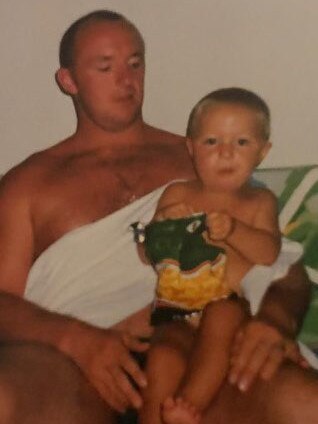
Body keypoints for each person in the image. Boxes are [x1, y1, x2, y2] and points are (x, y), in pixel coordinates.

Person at [0, 8, 317, 424]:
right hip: (75, 364)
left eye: (135, 63)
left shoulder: (204, 156)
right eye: (105, 66)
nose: (126, 79)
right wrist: (77, 340)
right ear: (69, 80)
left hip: (202, 349)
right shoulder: (28, 184)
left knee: (304, 401)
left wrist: (275, 321)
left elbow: (283, 264)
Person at [135, 87, 305, 424]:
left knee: (222, 316)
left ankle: (188, 406)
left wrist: (234, 232)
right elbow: (147, 255)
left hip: (229, 307)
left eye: (241, 143)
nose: (225, 153)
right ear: (191, 148)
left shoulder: (259, 202)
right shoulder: (177, 192)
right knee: (164, 356)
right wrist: (164, 225)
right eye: (212, 142)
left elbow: (270, 253)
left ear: (263, 152)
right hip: (176, 309)